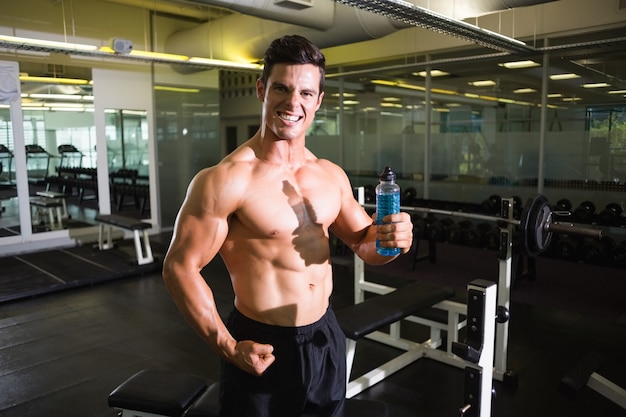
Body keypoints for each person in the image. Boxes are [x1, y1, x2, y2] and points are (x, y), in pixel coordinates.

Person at [162, 34, 413, 417]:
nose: (293, 103)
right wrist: (228, 346)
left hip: (325, 336)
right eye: (282, 88)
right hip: (263, 342)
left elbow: (365, 244)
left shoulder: (330, 175)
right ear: (262, 88)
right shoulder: (225, 179)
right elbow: (179, 267)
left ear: (319, 101)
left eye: (306, 93)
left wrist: (392, 240)